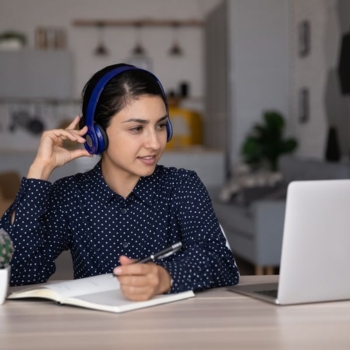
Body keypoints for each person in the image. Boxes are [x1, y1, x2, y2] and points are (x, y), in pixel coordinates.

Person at [0, 64, 239, 301]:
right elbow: (21, 274)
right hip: (96, 331)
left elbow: (222, 262)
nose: (155, 143)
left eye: (161, 125)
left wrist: (166, 277)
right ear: (97, 135)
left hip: (172, 329)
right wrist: (39, 170)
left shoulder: (182, 185)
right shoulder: (70, 195)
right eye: (137, 128)